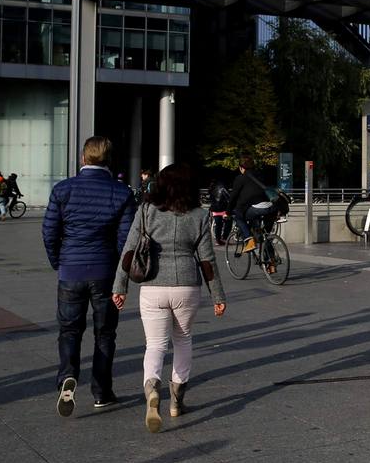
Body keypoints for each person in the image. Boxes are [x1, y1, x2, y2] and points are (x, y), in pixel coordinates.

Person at [112, 164, 225, 433]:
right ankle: (176, 401)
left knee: (155, 345)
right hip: (187, 285)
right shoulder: (199, 215)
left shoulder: (146, 211)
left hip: (153, 285)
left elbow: (129, 251)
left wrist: (120, 287)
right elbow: (207, 260)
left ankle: (152, 389)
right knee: (183, 339)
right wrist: (218, 295)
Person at [42, 136, 137, 416]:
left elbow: (49, 232)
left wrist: (59, 261)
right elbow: (126, 240)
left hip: (71, 270)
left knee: (69, 330)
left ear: (83, 158)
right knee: (105, 333)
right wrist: (120, 272)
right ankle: (101, 391)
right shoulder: (121, 192)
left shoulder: (63, 189)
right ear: (109, 160)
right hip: (105, 270)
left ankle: (67, 376)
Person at [229, 157, 273, 253]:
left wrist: (228, 212)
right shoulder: (261, 175)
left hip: (257, 208)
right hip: (271, 207)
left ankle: (250, 240)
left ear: (241, 168)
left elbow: (233, 196)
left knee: (238, 217)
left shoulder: (241, 178)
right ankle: (271, 260)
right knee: (266, 235)